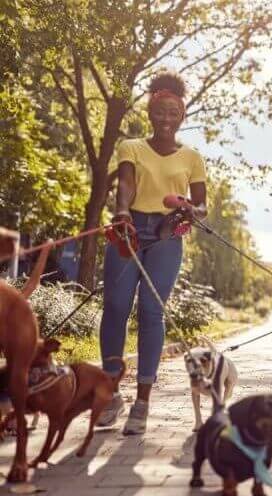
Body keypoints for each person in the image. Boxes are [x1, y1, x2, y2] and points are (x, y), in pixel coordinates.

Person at [97, 71, 207, 434]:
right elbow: (126, 182)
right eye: (160, 111)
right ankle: (111, 393)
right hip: (129, 229)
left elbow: (203, 206)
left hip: (166, 235)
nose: (165, 118)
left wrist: (191, 209)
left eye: (173, 112)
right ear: (150, 111)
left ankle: (142, 401)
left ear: (182, 115)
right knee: (115, 307)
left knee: (150, 311)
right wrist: (122, 211)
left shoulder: (192, 157)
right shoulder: (131, 146)